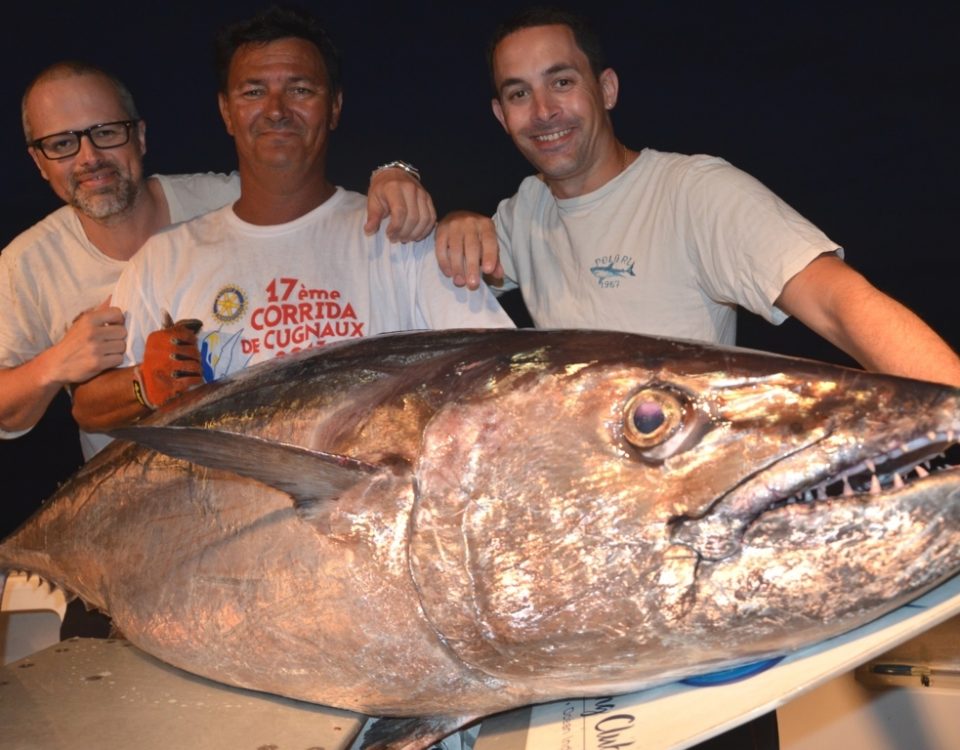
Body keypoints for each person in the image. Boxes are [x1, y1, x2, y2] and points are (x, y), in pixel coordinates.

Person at [435, 7, 960, 388]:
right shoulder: (526, 211)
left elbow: (837, 303)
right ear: (502, 117)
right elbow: (426, 269)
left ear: (608, 89)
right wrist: (422, 193)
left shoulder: (693, 191)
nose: (544, 111)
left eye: (562, 81)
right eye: (519, 93)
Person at [71, 5, 511, 433]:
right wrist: (142, 386)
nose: (277, 109)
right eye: (253, 92)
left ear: (335, 107)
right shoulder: (164, 258)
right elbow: (88, 408)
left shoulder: (401, 234)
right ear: (227, 112)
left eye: (301, 90)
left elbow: (502, 376)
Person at [0, 60, 437, 461]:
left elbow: (310, 195)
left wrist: (394, 172)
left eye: (107, 132)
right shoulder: (24, 265)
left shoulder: (224, 205)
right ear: (39, 162)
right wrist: (56, 364)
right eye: (62, 144)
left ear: (141, 136)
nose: (89, 157)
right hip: (130, 498)